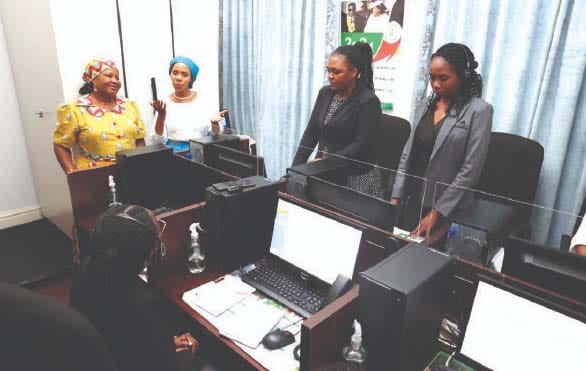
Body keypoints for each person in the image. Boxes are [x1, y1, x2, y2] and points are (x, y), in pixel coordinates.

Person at [70, 204, 207, 371]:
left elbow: (124, 333)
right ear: (148, 253)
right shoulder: (143, 303)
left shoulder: (85, 268)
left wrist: (163, 340)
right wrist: (169, 347)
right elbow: (162, 361)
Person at [391, 43, 493, 238]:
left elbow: (470, 170)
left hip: (448, 209)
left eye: (443, 78)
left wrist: (436, 213)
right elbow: (408, 154)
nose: (436, 84)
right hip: (413, 198)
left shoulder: (479, 111)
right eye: (432, 78)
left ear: (464, 75)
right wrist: (395, 198)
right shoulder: (426, 106)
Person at [292, 42, 382, 196]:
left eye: (336, 72)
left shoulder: (368, 102)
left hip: (355, 177)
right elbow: (311, 134)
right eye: (328, 71)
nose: (330, 76)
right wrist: (294, 171)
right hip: (325, 171)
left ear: (354, 72)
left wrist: (326, 161)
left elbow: (361, 146)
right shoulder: (325, 94)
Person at [54, 58, 146, 173]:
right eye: (109, 75)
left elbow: (139, 139)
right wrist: (72, 173)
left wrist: (141, 165)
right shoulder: (75, 109)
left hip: (130, 171)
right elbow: (61, 144)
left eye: (117, 78)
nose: (115, 81)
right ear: (93, 79)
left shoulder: (130, 106)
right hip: (93, 176)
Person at [151, 56, 227, 153]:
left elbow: (216, 134)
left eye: (184, 74)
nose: (178, 78)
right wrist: (161, 116)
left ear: (191, 78)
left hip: (201, 153)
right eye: (175, 73)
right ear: (170, 75)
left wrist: (215, 124)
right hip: (173, 156)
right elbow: (157, 141)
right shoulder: (164, 103)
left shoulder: (204, 101)